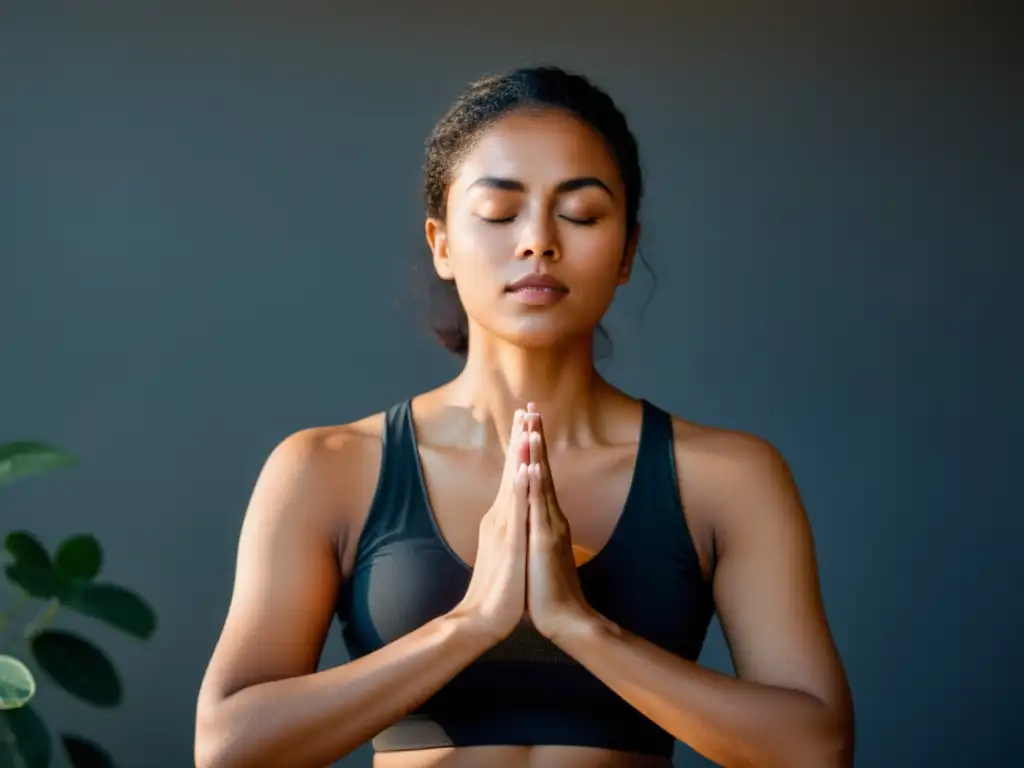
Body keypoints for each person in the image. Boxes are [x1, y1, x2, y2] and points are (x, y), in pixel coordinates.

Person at [194, 66, 854, 768]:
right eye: (501, 212)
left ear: (627, 251)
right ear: (442, 242)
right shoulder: (327, 468)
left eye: (582, 213)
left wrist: (581, 627)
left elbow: (818, 749)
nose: (538, 240)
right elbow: (231, 747)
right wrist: (472, 623)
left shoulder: (728, 476)